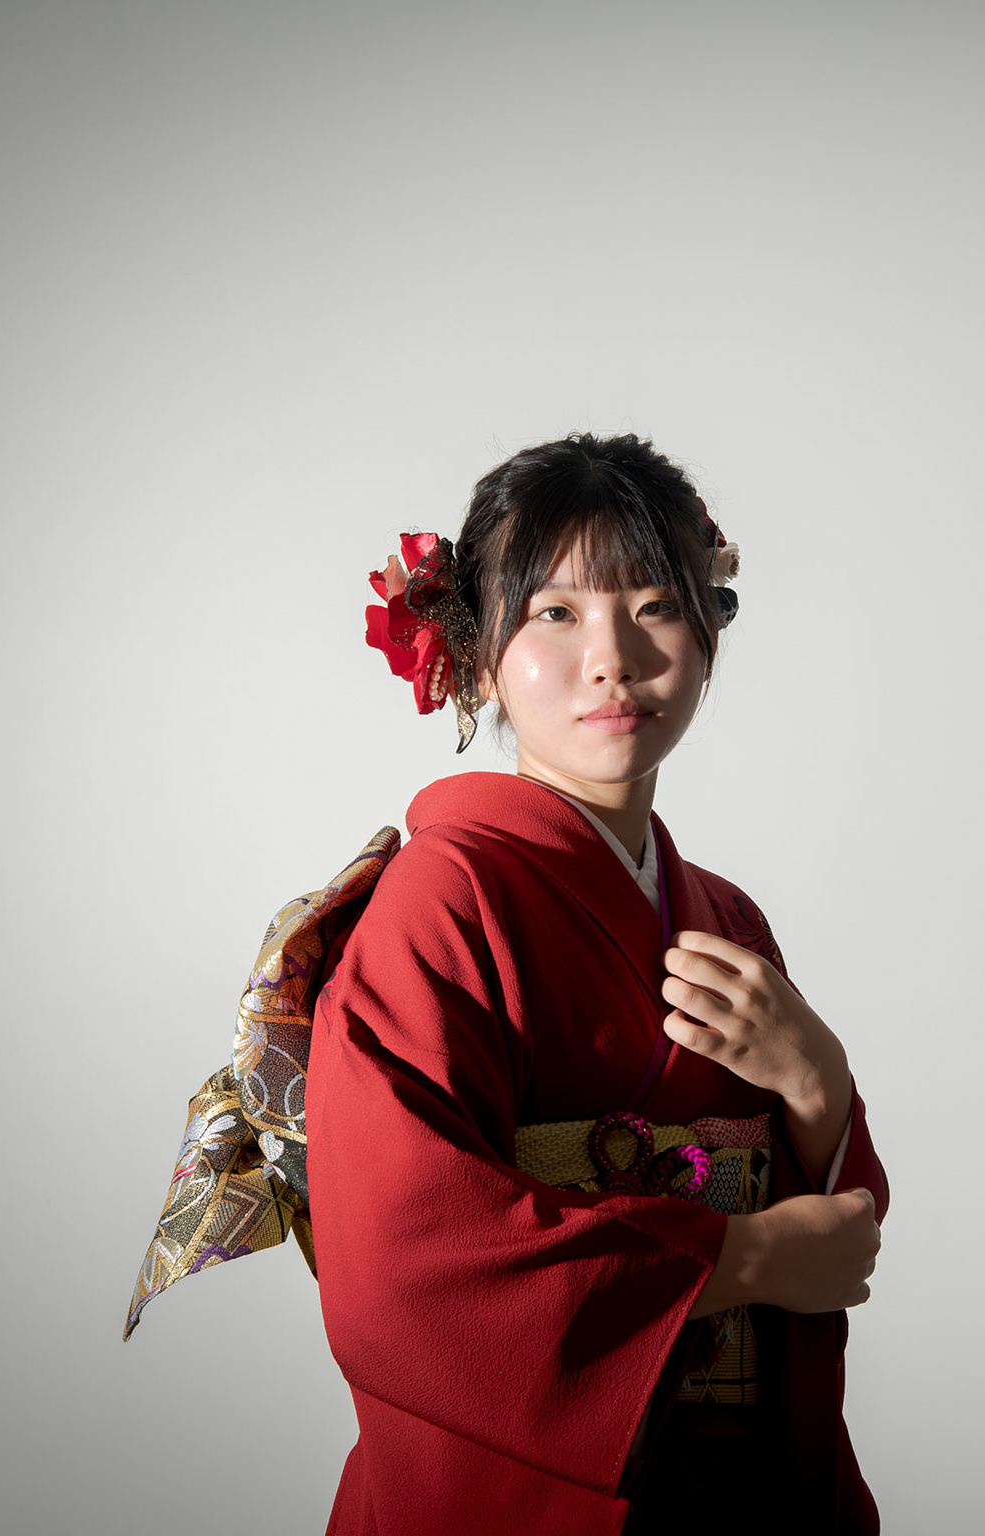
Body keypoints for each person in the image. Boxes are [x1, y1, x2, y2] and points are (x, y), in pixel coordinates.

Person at [309, 433, 888, 1535]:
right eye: (556, 613)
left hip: (727, 1494)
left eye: (654, 605)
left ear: (708, 631)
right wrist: (744, 1257)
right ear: (479, 655)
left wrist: (818, 1083)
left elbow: (839, 1242)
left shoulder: (727, 916)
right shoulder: (442, 901)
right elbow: (404, 1266)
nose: (612, 658)